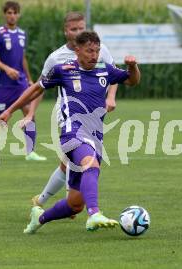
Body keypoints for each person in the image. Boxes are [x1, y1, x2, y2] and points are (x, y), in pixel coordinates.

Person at [0, 31, 141, 233]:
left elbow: (132, 81)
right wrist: (10, 110)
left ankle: (39, 217)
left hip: (95, 138)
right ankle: (94, 214)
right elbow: (36, 89)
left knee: (74, 204)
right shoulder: (63, 70)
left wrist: (133, 66)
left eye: (97, 51)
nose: (94, 55)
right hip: (72, 133)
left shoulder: (104, 69)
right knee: (91, 163)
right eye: (90, 50)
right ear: (78, 50)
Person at [27, 11, 118, 208]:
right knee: (77, 157)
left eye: (81, 28)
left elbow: (114, 74)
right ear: (65, 31)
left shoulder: (98, 50)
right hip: (67, 115)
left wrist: (110, 97)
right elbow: (39, 87)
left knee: (66, 161)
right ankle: (75, 203)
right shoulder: (56, 58)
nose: (78, 32)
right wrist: (30, 113)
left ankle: (41, 200)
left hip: (93, 114)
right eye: (74, 29)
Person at [0, 1, 46, 162]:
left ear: (18, 15)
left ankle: (30, 152)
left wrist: (30, 79)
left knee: (29, 115)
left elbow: (22, 58)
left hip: (21, 84)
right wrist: (7, 69)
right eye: (9, 13)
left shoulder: (22, 34)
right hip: (3, 86)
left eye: (15, 13)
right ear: (5, 14)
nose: (12, 15)